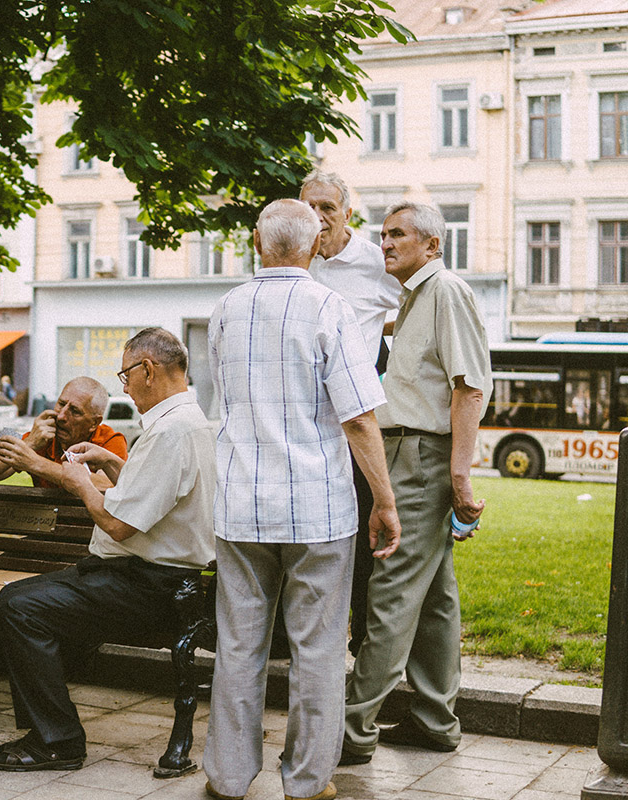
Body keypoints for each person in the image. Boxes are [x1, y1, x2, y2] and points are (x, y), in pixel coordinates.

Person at [202, 199, 401, 800]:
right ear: (316, 245)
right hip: (317, 506)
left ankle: (230, 777)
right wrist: (385, 502)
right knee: (317, 649)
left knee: (238, 644)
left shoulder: (226, 309)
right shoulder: (329, 308)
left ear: (257, 242)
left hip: (240, 503)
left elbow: (226, 407)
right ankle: (308, 780)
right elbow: (360, 418)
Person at [0, 327, 215, 772]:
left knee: (19, 605)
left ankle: (58, 741)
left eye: (126, 374)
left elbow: (118, 523)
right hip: (156, 578)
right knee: (24, 596)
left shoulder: (171, 431)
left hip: (154, 586)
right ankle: (51, 729)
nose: (124, 385)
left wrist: (71, 479)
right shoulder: (188, 422)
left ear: (148, 369)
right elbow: (159, 492)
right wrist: (111, 462)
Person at [341, 202, 492, 766]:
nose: (385, 243)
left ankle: (352, 729)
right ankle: (435, 720)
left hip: (422, 456)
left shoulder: (445, 291)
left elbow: (470, 387)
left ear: (433, 245)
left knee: (391, 589)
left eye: (398, 234)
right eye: (382, 235)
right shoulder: (413, 298)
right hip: (407, 449)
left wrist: (460, 477)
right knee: (433, 596)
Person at [300, 170, 402, 656]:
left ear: (347, 214)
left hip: (353, 424)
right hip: (302, 427)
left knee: (364, 536)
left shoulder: (372, 262)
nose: (318, 218)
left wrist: (377, 346)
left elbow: (416, 306)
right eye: (309, 208)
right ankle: (301, 638)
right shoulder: (295, 260)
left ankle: (362, 644)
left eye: (328, 208)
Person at [0, 376, 127, 489]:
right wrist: (29, 444)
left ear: (94, 423)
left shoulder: (109, 440)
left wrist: (34, 462)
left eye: (75, 411)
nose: (62, 416)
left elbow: (106, 484)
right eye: (61, 404)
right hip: (45, 532)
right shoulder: (43, 437)